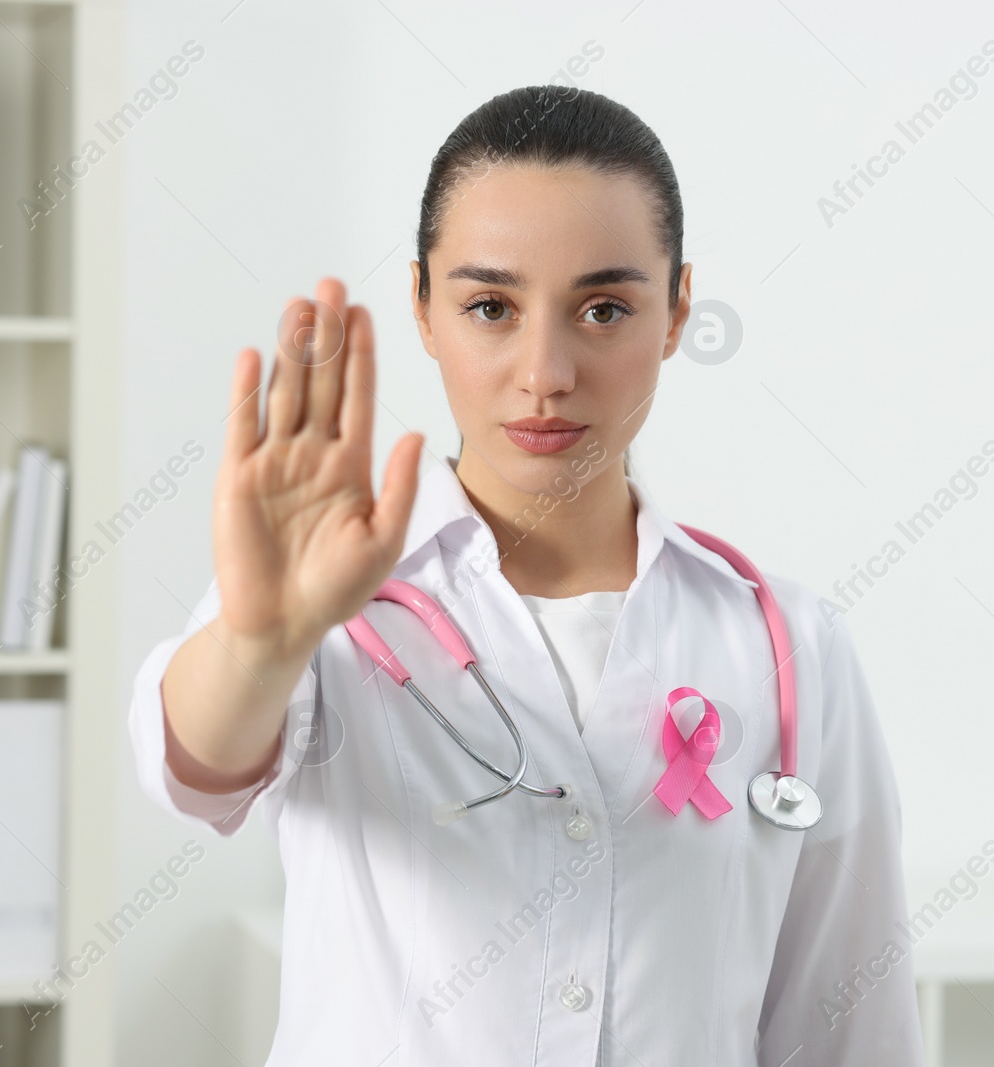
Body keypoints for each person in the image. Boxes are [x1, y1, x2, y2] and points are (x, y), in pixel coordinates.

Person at [128, 85, 923, 1065]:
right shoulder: (322, 599)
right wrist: (260, 640)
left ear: (676, 311)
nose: (544, 370)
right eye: (491, 306)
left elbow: (850, 1028)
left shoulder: (785, 644)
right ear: (423, 306)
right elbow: (192, 769)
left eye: (602, 308)